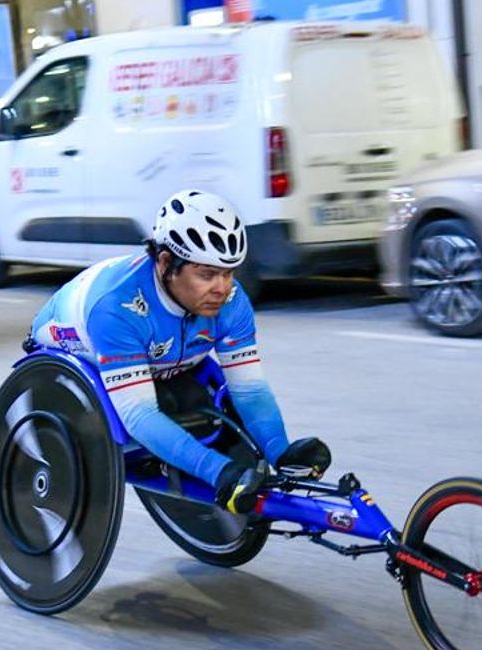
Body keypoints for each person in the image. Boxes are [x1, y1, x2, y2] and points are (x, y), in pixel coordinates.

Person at [28, 189, 330, 513]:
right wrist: (220, 472)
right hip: (75, 348)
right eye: (207, 274)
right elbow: (139, 416)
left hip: (164, 357)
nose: (222, 288)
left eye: (229, 272)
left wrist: (281, 454)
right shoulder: (117, 308)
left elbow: (250, 389)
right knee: (149, 411)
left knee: (201, 405)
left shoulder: (232, 301)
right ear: (165, 263)